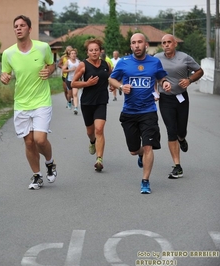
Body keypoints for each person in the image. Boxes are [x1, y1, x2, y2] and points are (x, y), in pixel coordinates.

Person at [109, 33, 171, 194]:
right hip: (129, 112)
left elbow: (161, 78)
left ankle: (145, 181)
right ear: (131, 46)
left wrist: (164, 83)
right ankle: (139, 154)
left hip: (148, 111)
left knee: (148, 146)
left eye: (139, 42)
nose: (136, 45)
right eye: (133, 43)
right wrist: (121, 87)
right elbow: (112, 79)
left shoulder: (154, 62)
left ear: (146, 44)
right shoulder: (124, 62)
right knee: (134, 149)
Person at [0, 15, 57, 190]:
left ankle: (50, 163)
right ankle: (37, 176)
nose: (18, 28)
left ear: (29, 29)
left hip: (41, 100)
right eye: (16, 26)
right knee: (29, 142)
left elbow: (51, 64)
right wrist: (4, 78)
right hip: (22, 103)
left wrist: (49, 71)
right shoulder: (8, 53)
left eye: (22, 25)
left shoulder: (43, 47)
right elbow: (6, 74)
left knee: (40, 139)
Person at [154, 34, 204, 179]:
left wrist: (189, 80)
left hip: (182, 98)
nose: (166, 45)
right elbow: (153, 74)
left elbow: (200, 71)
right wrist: (160, 85)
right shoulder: (157, 58)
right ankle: (177, 166)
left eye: (169, 42)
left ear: (175, 43)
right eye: (164, 43)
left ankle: (182, 139)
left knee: (181, 131)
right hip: (165, 99)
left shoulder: (185, 57)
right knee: (171, 130)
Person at [71, 39, 112, 172]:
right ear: (87, 52)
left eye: (96, 50)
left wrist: (112, 85)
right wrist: (86, 84)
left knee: (99, 129)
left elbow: (111, 77)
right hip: (87, 102)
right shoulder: (83, 65)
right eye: (91, 50)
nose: (94, 52)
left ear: (100, 51)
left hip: (101, 101)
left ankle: (99, 159)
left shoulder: (105, 64)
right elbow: (73, 83)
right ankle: (92, 141)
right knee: (90, 132)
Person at [62, 48, 80, 115]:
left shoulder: (78, 62)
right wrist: (70, 70)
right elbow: (63, 70)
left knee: (75, 94)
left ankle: (76, 108)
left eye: (75, 53)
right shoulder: (68, 62)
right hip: (69, 80)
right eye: (72, 54)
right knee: (69, 94)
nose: (73, 55)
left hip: (75, 80)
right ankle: (69, 101)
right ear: (69, 55)